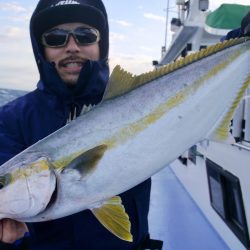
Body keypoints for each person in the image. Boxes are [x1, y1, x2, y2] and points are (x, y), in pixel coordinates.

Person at [0, 0, 154, 249]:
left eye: (85, 35)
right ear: (42, 50)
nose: (72, 47)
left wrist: (240, 39)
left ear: (100, 45)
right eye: (55, 38)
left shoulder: (138, 100)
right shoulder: (9, 119)